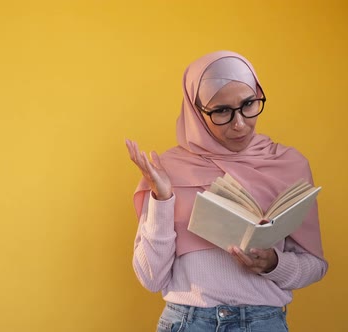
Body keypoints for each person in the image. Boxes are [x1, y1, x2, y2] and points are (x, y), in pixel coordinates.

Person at [125, 50, 328, 332]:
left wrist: (273, 263)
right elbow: (150, 278)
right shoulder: (166, 169)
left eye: (248, 104)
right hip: (188, 322)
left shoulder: (289, 165)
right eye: (221, 111)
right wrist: (162, 199)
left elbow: (315, 266)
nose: (240, 123)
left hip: (264, 323)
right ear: (197, 112)